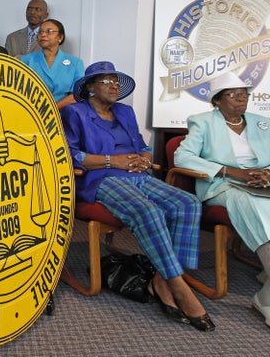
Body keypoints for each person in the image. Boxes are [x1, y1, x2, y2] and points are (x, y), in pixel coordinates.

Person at [61, 61, 215, 332]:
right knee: (149, 211)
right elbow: (72, 154)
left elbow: (142, 145)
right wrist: (113, 161)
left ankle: (160, 278)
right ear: (91, 88)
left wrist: (144, 158)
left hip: (138, 175)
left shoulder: (125, 111)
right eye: (106, 81)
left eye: (116, 81)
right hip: (101, 179)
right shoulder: (75, 112)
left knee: (188, 203)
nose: (114, 85)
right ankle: (178, 287)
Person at [174, 71, 270, 346]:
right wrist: (228, 170)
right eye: (233, 94)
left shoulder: (264, 123)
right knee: (258, 213)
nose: (241, 99)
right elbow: (183, 156)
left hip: (264, 185)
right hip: (225, 187)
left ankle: (266, 296)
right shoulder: (203, 123)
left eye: (244, 94)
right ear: (217, 101)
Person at [20, 18, 83, 109]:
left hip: (63, 115)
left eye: (49, 31)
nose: (43, 34)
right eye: (40, 32)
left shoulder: (75, 63)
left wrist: (51, 110)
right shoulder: (26, 60)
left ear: (60, 37)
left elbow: (76, 95)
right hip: (32, 114)